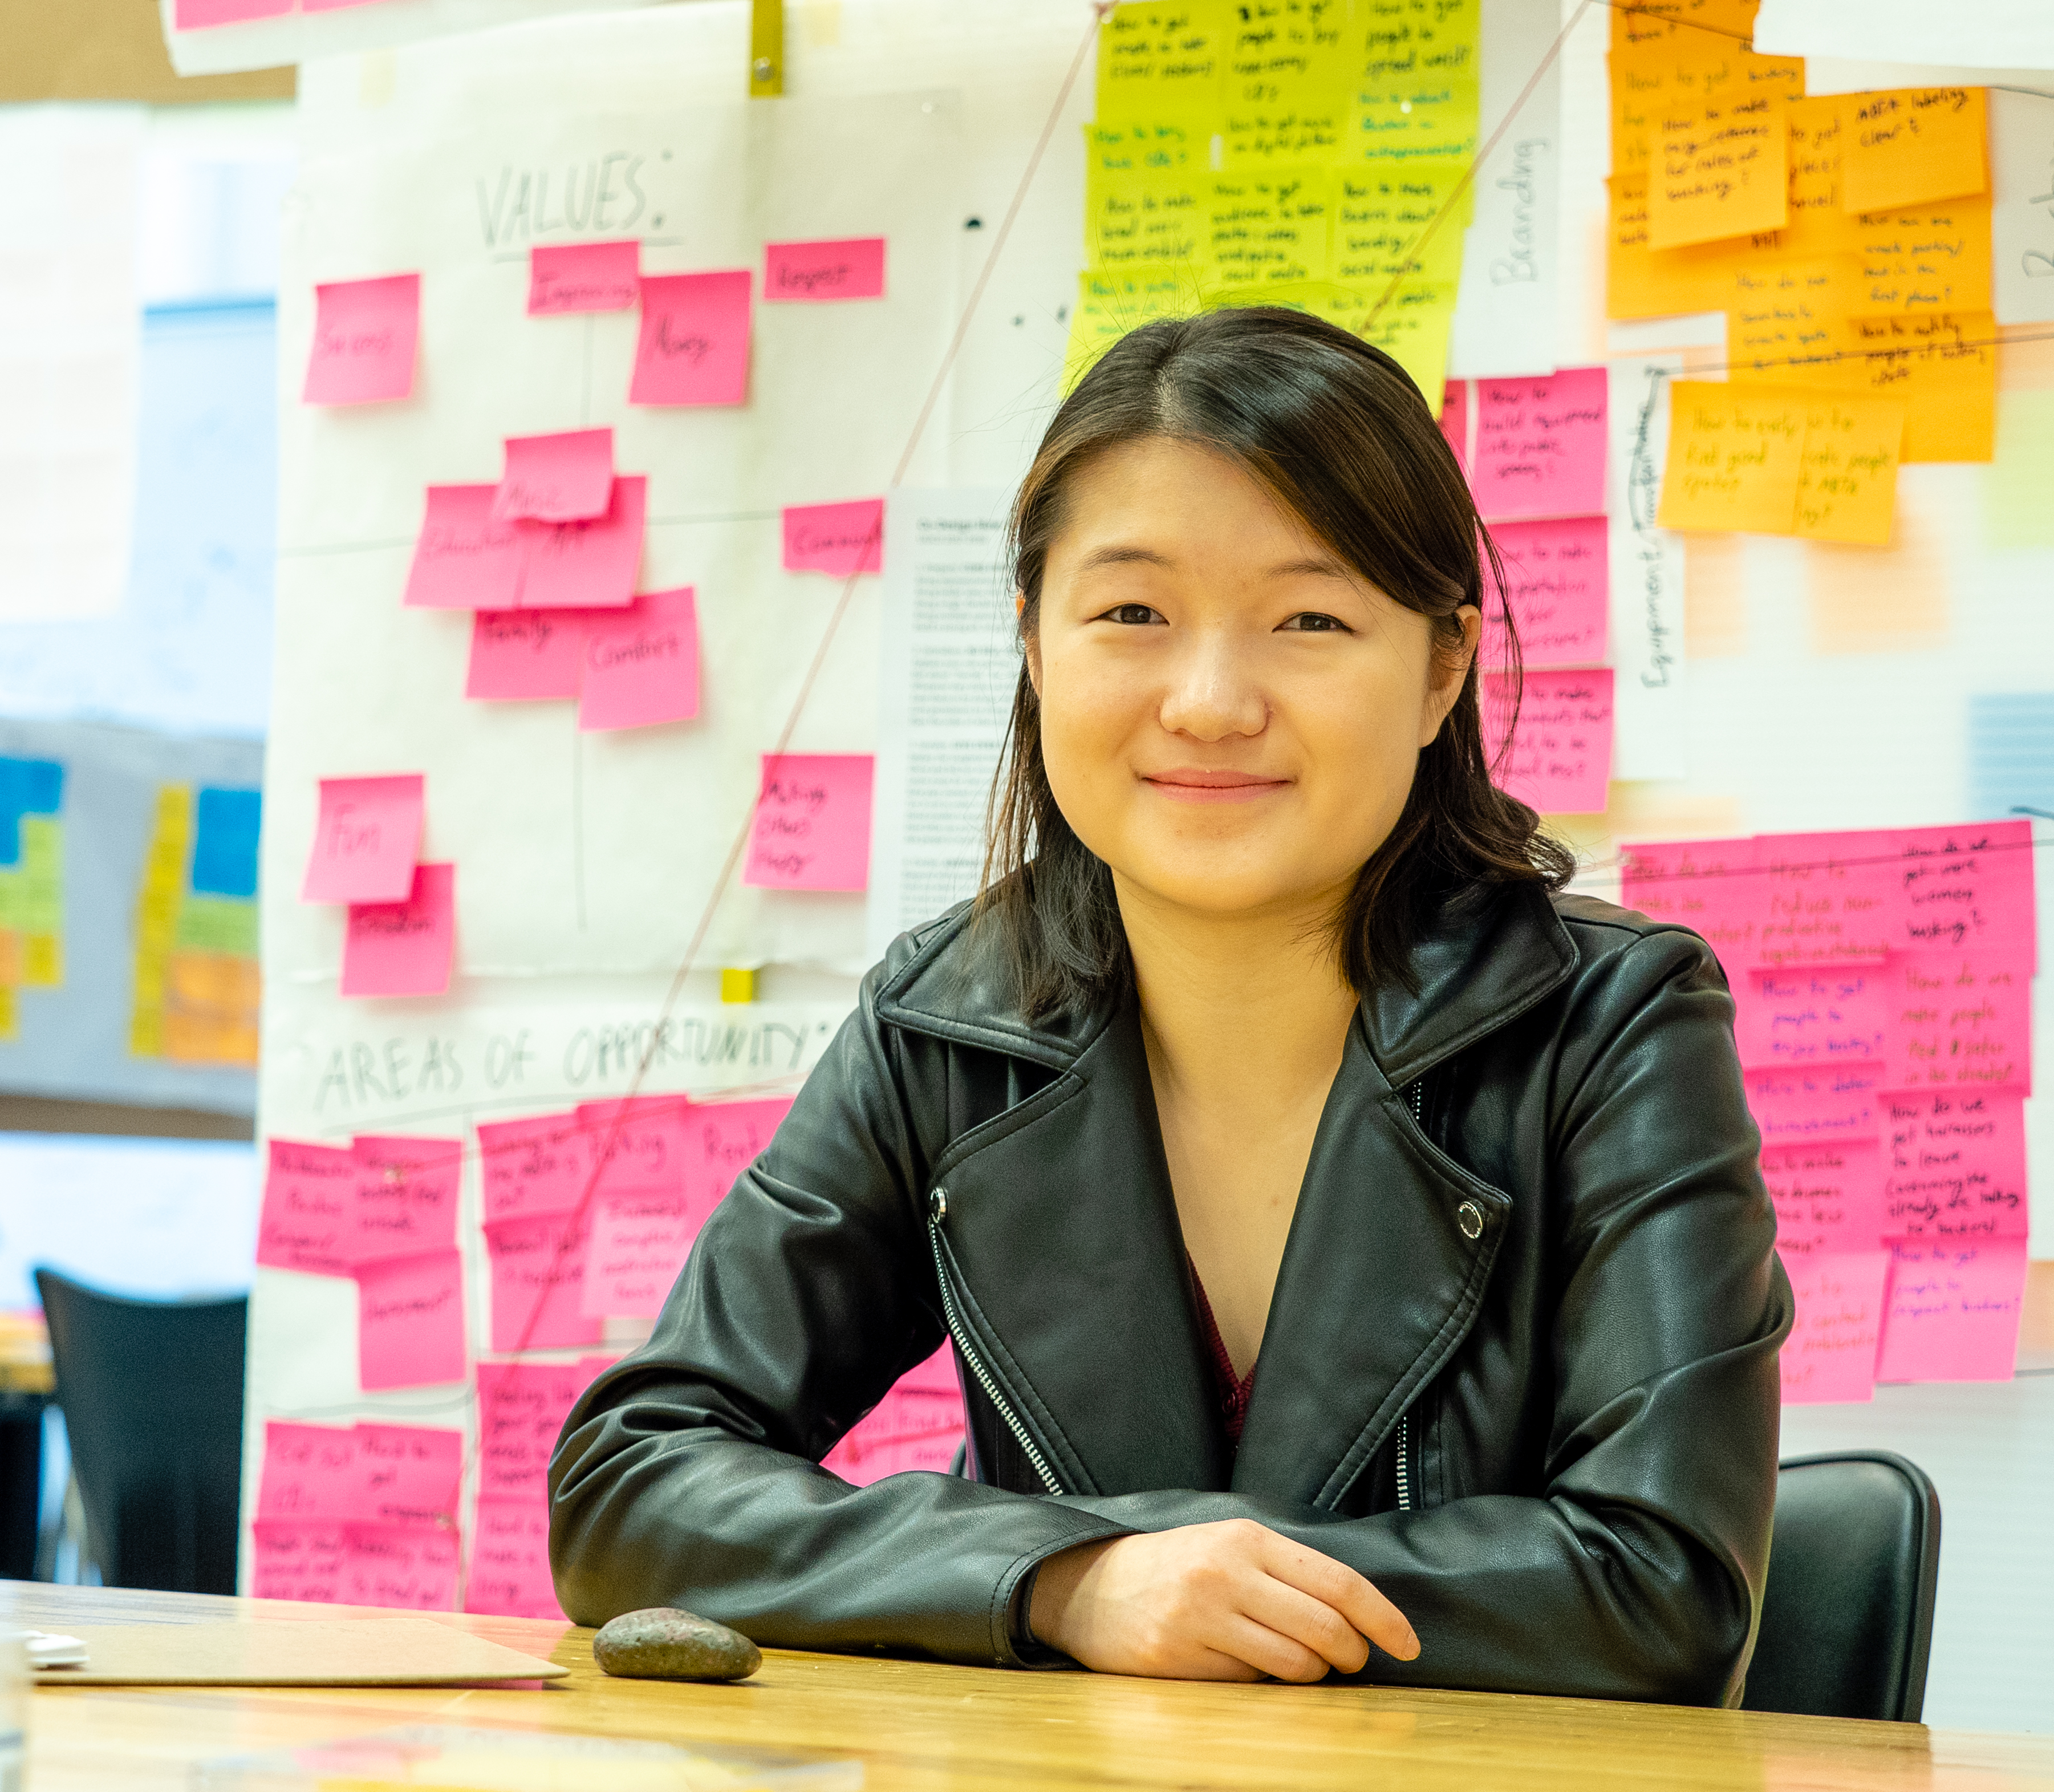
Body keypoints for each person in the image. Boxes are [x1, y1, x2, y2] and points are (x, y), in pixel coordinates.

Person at [550, 307, 1789, 1703]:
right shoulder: (947, 1021)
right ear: (1031, 639)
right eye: (1131, 612)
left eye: (1309, 618)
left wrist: (1199, 1583)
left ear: (1443, 667)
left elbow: (1662, 1584)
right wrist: (1069, 1579)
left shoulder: (1614, 1025)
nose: (1207, 701)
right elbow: (631, 1480)